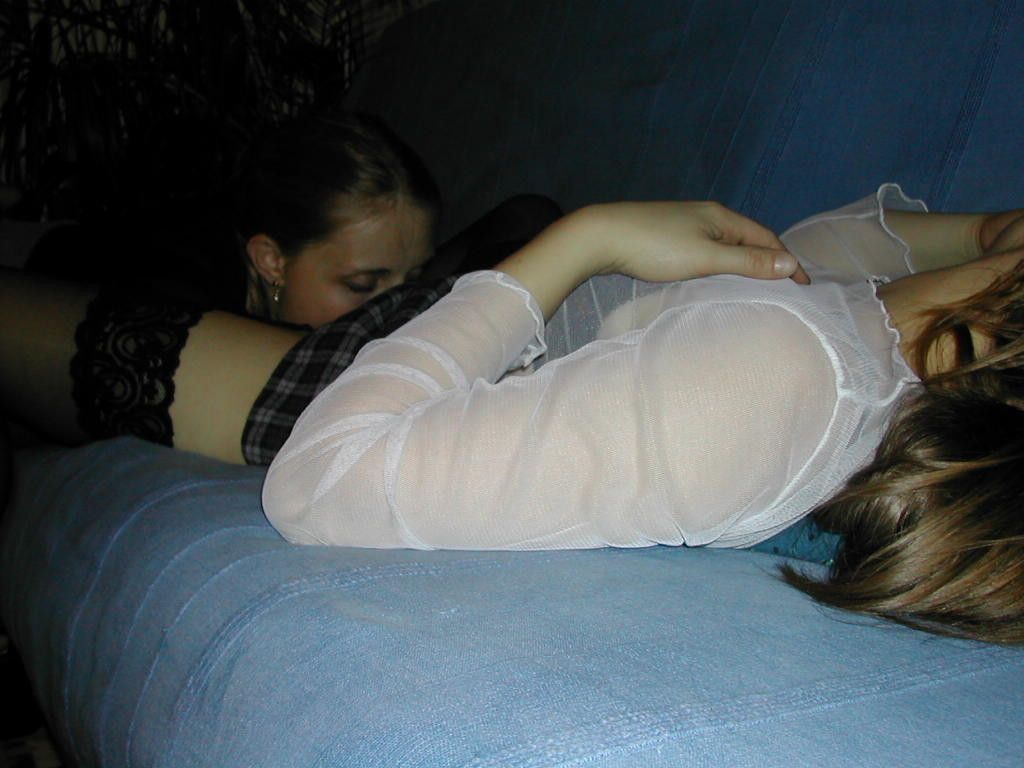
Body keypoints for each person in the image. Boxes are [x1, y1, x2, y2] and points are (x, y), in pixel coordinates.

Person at [260, 184, 1024, 645]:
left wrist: (593, 238)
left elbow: (322, 481)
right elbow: (823, 251)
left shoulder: (777, 378)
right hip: (468, 312)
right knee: (524, 210)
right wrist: (991, 234)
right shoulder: (912, 337)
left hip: (390, 372)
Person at [2, 113, 561, 463]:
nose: (389, 302)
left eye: (409, 278)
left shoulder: (344, 259)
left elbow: (524, 214)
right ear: (270, 261)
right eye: (362, 284)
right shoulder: (171, 284)